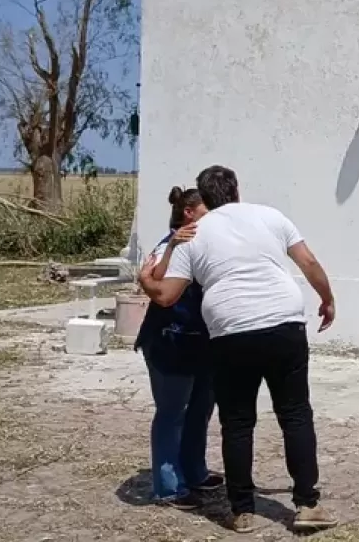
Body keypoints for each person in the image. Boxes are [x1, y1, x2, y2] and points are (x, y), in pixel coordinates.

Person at [143, 165, 339, 534]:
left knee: (237, 422)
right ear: (236, 190)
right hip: (284, 321)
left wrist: (145, 280)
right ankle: (307, 504)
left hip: (231, 330)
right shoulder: (271, 216)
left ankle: (242, 510)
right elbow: (309, 262)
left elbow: (166, 296)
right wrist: (327, 299)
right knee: (295, 414)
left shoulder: (193, 235)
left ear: (204, 196)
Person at [134, 186, 222, 508]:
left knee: (200, 411)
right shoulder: (168, 243)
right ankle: (168, 486)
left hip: (202, 344)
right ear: (189, 213)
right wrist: (172, 247)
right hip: (170, 343)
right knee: (172, 414)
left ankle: (195, 471)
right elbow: (156, 280)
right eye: (207, 210)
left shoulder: (206, 243)